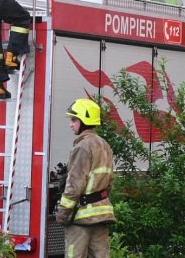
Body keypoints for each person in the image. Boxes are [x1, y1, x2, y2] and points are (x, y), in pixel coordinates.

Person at [56, 98, 115, 258]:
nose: (71, 124)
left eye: (74, 119)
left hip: (81, 217)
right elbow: (109, 182)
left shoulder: (82, 147)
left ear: (84, 120)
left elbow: (74, 185)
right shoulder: (105, 145)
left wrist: (62, 213)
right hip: (101, 216)